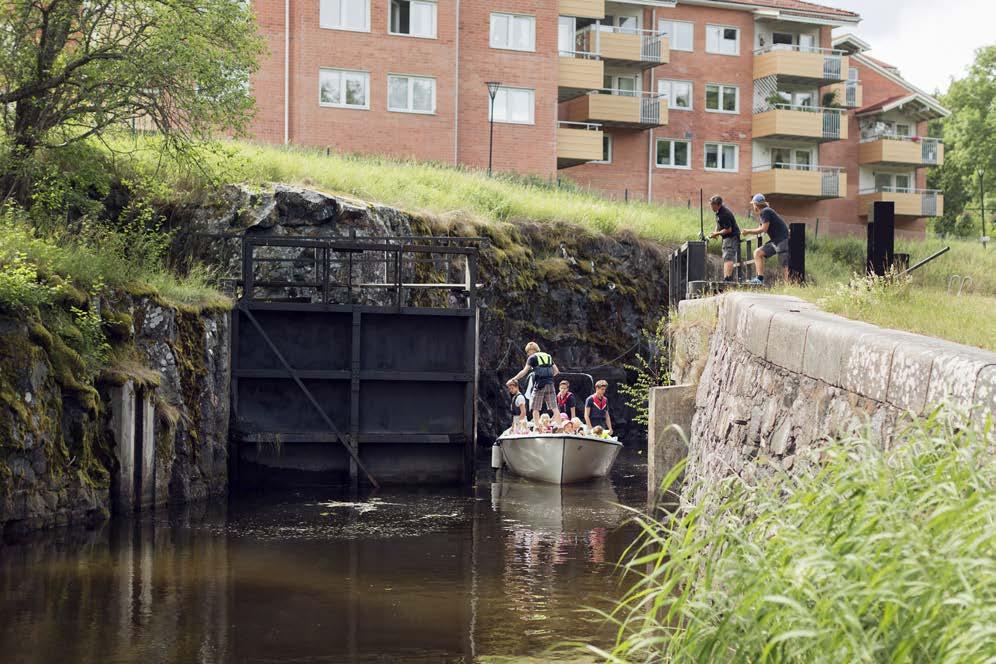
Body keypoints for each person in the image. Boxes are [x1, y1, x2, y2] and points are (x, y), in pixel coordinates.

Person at [741, 194, 790, 284]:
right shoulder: (764, 212)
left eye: (753, 204)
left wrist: (748, 231)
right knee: (758, 253)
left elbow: (763, 229)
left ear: (756, 204)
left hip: (782, 240)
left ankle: (788, 285)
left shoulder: (765, 212)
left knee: (784, 265)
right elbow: (760, 227)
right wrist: (750, 231)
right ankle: (759, 279)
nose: (753, 207)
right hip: (776, 241)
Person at [509, 341, 560, 425]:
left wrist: (514, 379)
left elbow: (524, 371)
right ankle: (560, 426)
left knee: (535, 408)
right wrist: (549, 378)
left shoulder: (532, 358)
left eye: (527, 352)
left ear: (529, 351)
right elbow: (556, 371)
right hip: (550, 384)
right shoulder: (548, 356)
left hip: (539, 385)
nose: (528, 354)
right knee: (554, 407)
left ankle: (537, 427)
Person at [707, 195, 741, 282]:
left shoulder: (724, 214)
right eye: (711, 205)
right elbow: (718, 224)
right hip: (726, 238)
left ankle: (728, 279)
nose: (711, 207)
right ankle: (726, 279)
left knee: (728, 257)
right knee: (725, 257)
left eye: (712, 205)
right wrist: (715, 233)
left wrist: (717, 233)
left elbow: (729, 230)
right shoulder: (718, 212)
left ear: (718, 205)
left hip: (731, 237)